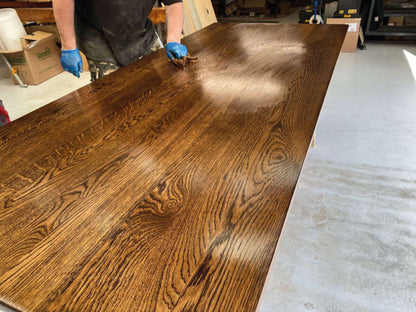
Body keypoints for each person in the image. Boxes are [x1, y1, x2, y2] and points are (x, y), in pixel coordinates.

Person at [52, 0, 188, 80]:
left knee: (161, 85)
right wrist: (68, 46)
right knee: (115, 99)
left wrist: (174, 40)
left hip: (141, 31)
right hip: (98, 36)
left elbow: (174, 2)